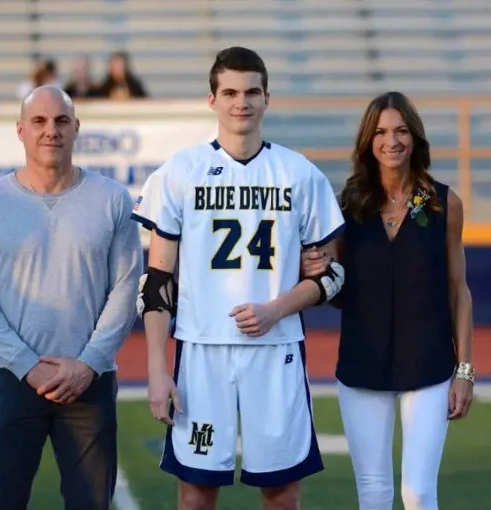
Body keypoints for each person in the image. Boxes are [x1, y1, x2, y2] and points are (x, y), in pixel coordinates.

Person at [130, 47, 346, 509]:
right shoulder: (179, 173)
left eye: (251, 92)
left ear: (268, 98)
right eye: (229, 92)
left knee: (281, 491)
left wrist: (275, 310)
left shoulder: (298, 174)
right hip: (202, 350)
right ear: (212, 100)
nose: (240, 102)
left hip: (277, 350)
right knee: (195, 492)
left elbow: (329, 277)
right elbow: (157, 281)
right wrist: (156, 369)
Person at [0, 85, 142, 510]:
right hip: (10, 379)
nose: (50, 131)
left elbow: (127, 286)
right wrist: (26, 366)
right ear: (20, 131)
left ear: (77, 128)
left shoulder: (113, 199)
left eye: (61, 121)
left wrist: (89, 363)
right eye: (38, 121)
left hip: (90, 382)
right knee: (2, 503)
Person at [300, 91, 474, 510]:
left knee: (417, 493)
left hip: (429, 364)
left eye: (400, 130)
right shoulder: (347, 205)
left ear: (415, 137)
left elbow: (459, 290)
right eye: (380, 132)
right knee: (374, 494)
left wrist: (465, 370)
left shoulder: (443, 203)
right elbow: (336, 289)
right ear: (367, 141)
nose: (390, 141)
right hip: (363, 363)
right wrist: (317, 268)